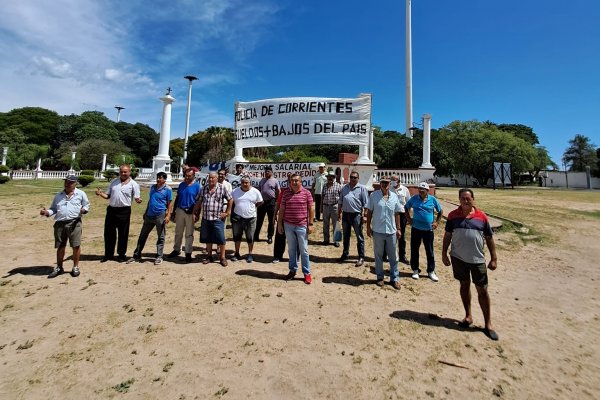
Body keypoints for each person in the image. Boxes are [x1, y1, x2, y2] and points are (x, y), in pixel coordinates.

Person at [442, 188, 499, 341]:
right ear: (459, 200)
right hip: (458, 258)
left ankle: (488, 324)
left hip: (477, 259)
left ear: (473, 199)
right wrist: (443, 253)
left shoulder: (482, 217)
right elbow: (447, 235)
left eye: (468, 198)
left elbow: (489, 238)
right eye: (462, 198)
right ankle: (468, 316)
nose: (465, 201)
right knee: (464, 285)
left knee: (482, 290)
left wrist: (494, 258)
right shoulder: (453, 216)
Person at [41, 175, 90, 278]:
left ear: (75, 183)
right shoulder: (59, 195)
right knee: (60, 246)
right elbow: (53, 209)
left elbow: (86, 205)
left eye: (70, 182)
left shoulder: (80, 194)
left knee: (75, 245)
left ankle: (75, 267)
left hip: (75, 222)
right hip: (60, 223)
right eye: (66, 182)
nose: (67, 184)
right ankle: (59, 267)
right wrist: (46, 212)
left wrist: (84, 210)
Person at [95, 164, 142, 262]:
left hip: (124, 211)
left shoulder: (134, 184)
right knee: (109, 233)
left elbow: (137, 197)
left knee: (123, 233)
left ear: (129, 172)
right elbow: (107, 196)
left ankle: (121, 255)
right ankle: (108, 254)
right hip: (112, 210)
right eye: (121, 172)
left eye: (125, 172)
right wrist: (100, 194)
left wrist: (138, 200)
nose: (123, 173)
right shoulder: (114, 182)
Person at [127, 172, 173, 265]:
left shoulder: (168, 189)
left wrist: (168, 215)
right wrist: (146, 212)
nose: (158, 179)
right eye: (157, 177)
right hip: (149, 215)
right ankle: (137, 255)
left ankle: (159, 256)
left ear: (165, 179)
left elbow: (169, 204)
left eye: (160, 178)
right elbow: (150, 200)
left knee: (161, 236)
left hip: (160, 215)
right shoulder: (153, 187)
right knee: (142, 235)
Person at [277, 173, 315, 284]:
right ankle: (292, 270)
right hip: (288, 225)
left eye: (296, 181)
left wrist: (311, 224)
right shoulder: (286, 193)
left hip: (302, 225)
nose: (294, 182)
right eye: (292, 180)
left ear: (300, 182)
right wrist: (279, 223)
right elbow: (282, 208)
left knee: (304, 250)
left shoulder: (306, 193)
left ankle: (307, 273)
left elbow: (311, 208)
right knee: (291, 249)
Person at [366, 177, 403, 289]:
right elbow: (370, 212)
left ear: (390, 184)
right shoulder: (374, 196)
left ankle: (394, 278)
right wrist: (368, 227)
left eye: (387, 183)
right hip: (378, 230)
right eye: (382, 182)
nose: (384, 184)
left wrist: (399, 228)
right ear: (380, 184)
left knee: (393, 256)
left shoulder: (394, 196)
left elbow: (397, 213)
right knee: (378, 255)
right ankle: (380, 277)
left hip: (391, 231)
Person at [405, 182, 443, 281]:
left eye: (423, 189)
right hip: (416, 228)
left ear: (427, 190)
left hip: (428, 230)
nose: (421, 191)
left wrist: (437, 222)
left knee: (429, 251)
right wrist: (409, 219)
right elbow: (406, 207)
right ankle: (415, 270)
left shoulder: (432, 199)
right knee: (414, 250)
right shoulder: (414, 198)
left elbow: (440, 211)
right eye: (420, 189)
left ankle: (431, 271)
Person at [194, 171, 232, 266]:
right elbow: (199, 201)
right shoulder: (204, 188)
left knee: (221, 239)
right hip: (206, 218)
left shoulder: (222, 188)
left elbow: (230, 199)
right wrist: (196, 213)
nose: (211, 179)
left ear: (216, 178)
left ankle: (222, 257)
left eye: (213, 178)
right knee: (208, 238)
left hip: (217, 218)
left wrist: (227, 212)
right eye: (209, 178)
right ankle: (209, 256)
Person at [167, 167, 201, 263]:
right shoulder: (181, 185)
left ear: (193, 176)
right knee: (178, 231)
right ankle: (177, 249)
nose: (187, 177)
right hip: (180, 210)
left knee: (189, 234)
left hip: (191, 212)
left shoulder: (197, 186)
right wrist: (174, 211)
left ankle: (188, 252)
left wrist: (197, 214)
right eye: (185, 175)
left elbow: (199, 201)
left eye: (189, 176)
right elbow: (178, 197)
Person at [338, 171, 369, 267]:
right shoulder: (344, 188)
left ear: (358, 178)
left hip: (356, 216)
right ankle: (345, 253)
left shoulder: (362, 188)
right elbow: (340, 201)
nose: (352, 179)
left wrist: (365, 216)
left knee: (359, 236)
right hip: (346, 215)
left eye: (355, 177)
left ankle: (361, 257)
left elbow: (366, 204)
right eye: (351, 177)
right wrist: (339, 213)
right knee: (346, 236)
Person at [230, 175, 263, 262]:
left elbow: (261, 201)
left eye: (246, 182)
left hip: (251, 218)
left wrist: (254, 206)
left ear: (250, 183)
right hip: (238, 218)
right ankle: (237, 253)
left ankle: (250, 254)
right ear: (240, 183)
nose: (244, 184)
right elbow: (230, 200)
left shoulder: (255, 191)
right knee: (237, 236)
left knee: (250, 237)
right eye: (243, 182)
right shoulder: (234, 191)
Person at [254, 166, 280, 244]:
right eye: (265, 171)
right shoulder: (262, 180)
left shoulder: (275, 181)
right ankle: (256, 236)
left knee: (271, 221)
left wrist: (276, 201)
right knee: (259, 220)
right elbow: (259, 190)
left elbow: (278, 191)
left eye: (268, 171)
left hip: (271, 202)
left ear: (271, 172)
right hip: (262, 202)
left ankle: (270, 237)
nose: (266, 173)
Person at [272, 173, 293, 263]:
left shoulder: (303, 192)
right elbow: (278, 204)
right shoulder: (284, 192)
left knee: (294, 239)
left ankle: (294, 257)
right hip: (283, 219)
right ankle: (277, 256)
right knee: (280, 237)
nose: (292, 183)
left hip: (296, 220)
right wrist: (274, 215)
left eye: (293, 181)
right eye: (290, 181)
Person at [391, 174, 411, 264]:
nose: (392, 181)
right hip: (391, 214)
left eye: (394, 180)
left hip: (402, 214)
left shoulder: (405, 189)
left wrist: (408, 217)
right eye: (392, 180)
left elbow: (408, 204)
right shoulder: (390, 189)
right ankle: (388, 254)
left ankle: (402, 256)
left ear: (399, 181)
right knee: (389, 234)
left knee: (401, 236)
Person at [321, 171, 342, 247]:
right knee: (325, 224)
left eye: (332, 177)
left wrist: (340, 209)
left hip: (334, 207)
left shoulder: (338, 185)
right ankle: (326, 240)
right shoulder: (324, 185)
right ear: (327, 178)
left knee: (336, 224)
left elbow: (341, 198)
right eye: (329, 177)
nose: (330, 178)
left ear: (334, 178)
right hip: (325, 206)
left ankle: (336, 241)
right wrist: (321, 207)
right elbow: (322, 196)